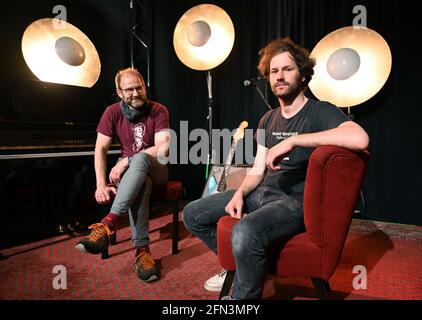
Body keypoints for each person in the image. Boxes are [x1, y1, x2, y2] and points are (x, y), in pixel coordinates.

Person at [182, 37, 369, 299]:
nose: (279, 76)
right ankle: (241, 265)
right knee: (192, 214)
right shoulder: (267, 118)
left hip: (294, 202)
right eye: (273, 71)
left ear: (302, 75)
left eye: (287, 69)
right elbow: (258, 170)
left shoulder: (319, 112)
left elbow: (360, 138)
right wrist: (239, 192)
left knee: (245, 231)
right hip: (262, 194)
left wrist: (294, 140)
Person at [75, 67, 170, 282]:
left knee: (142, 159)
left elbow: (163, 148)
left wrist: (127, 160)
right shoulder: (112, 112)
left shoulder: (159, 110)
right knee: (142, 183)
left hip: (157, 167)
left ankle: (108, 222)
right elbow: (100, 148)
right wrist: (100, 185)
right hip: (134, 174)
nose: (135, 93)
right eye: (129, 90)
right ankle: (142, 251)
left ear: (144, 87)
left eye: (139, 88)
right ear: (119, 92)